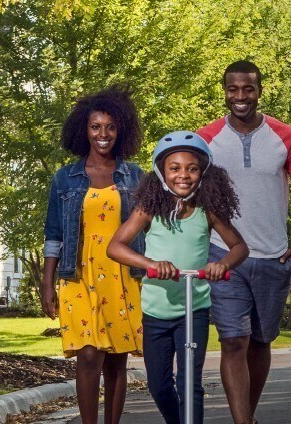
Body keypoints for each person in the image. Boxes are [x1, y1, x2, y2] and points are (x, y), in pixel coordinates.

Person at [195, 60, 291, 424]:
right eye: (233, 89)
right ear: (224, 92)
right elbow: (187, 190)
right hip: (224, 255)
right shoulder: (206, 139)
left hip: (273, 257)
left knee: (261, 342)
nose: (240, 96)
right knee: (234, 340)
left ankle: (246, 415)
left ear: (259, 91)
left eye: (248, 89)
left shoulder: (287, 137)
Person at [108, 131, 248, 424]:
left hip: (193, 311)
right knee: (159, 386)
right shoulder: (149, 209)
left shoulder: (207, 212)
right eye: (175, 168)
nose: (183, 175)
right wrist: (151, 264)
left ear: (203, 173)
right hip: (156, 311)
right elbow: (115, 247)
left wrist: (221, 265)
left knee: (190, 385)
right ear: (161, 172)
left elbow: (239, 247)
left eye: (192, 168)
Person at [40, 87, 146, 424]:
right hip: (78, 274)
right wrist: (47, 283)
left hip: (122, 276)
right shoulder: (65, 178)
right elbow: (54, 235)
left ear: (121, 130)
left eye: (110, 127)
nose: (103, 134)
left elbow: (152, 227)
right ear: (83, 130)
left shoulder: (135, 176)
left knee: (116, 359)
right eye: (96, 126)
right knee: (87, 356)